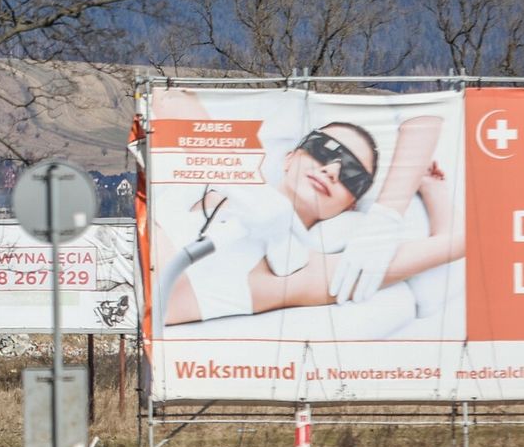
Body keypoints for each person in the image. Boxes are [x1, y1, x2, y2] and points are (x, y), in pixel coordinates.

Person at [158, 115, 463, 327]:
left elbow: (455, 242)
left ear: (349, 205)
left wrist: (429, 190)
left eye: (352, 175)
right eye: (324, 150)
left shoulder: (298, 272)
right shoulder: (201, 180)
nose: (331, 169)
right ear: (289, 158)